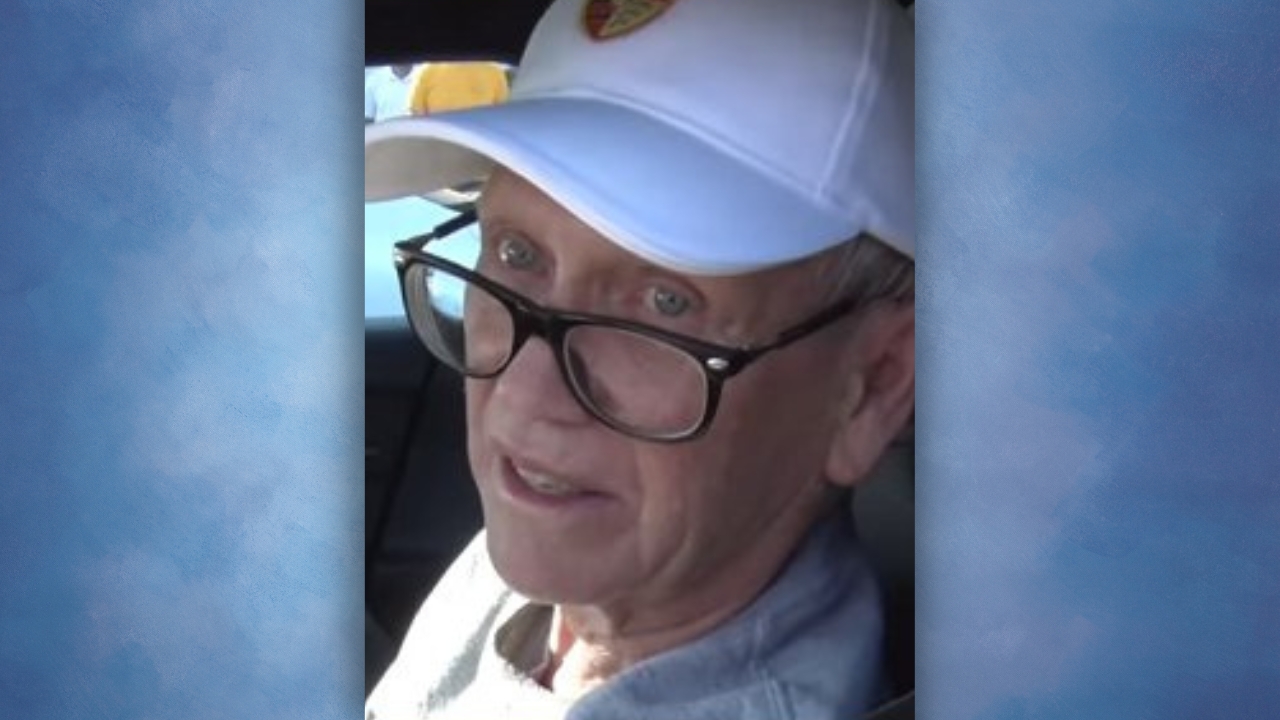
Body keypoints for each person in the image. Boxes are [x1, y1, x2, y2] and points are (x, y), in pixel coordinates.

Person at [363, 0, 914, 716]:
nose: (523, 397)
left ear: (873, 386)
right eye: (518, 253)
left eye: (665, 303)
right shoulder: (584, 561)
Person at [407, 61, 510, 116]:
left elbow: (416, 113)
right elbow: (502, 115)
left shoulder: (428, 70)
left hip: (440, 141)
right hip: (480, 143)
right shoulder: (494, 71)